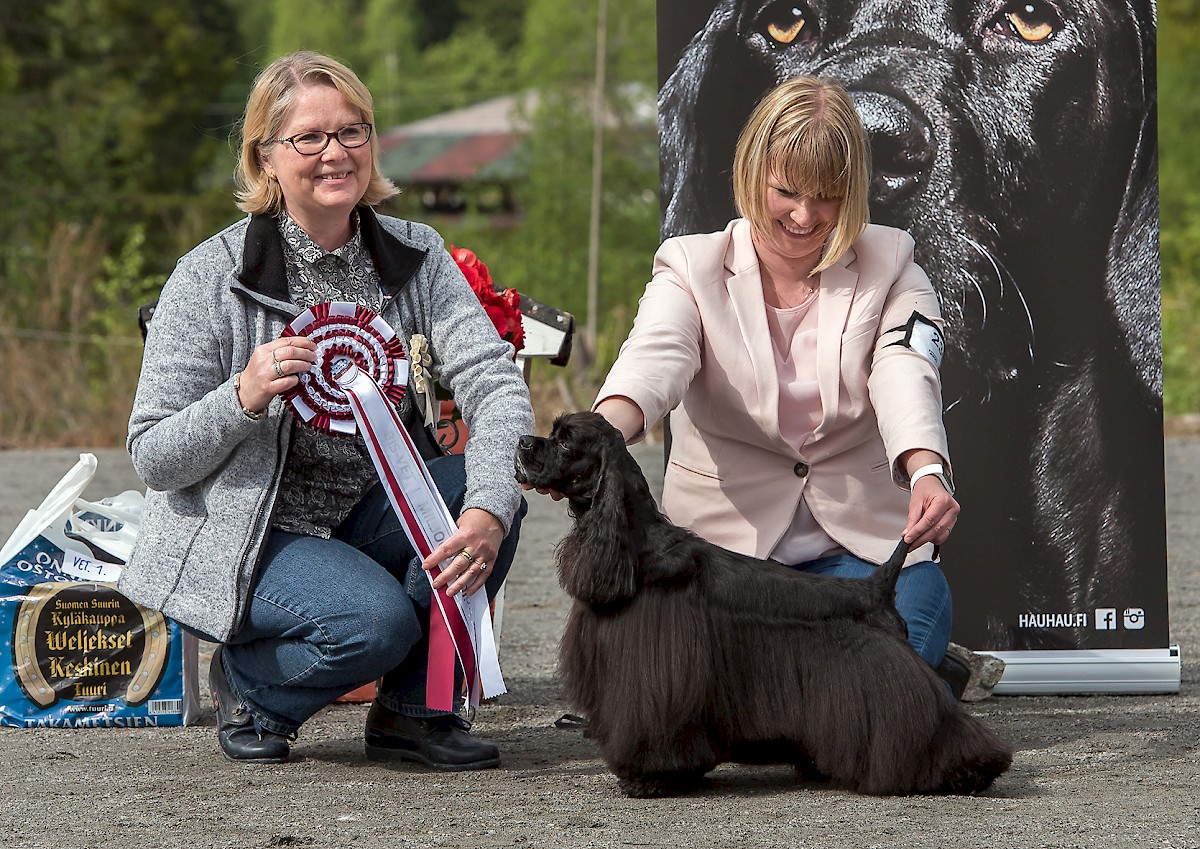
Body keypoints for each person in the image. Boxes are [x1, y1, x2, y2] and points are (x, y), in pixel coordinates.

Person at [120, 51, 533, 767]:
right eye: (309, 138)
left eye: (352, 131)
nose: (335, 153)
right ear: (266, 158)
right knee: (376, 623)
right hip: (248, 531)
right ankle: (252, 688)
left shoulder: (418, 251)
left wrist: (491, 506)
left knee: (487, 493)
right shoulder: (208, 274)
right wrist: (241, 398)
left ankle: (417, 713)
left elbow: (495, 382)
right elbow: (152, 452)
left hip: (368, 510)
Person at [591, 76, 974, 692]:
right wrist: (601, 434)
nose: (804, 216)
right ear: (752, 175)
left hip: (864, 557)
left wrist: (927, 468)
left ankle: (906, 675)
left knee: (875, 677)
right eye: (786, 192)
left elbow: (906, 370)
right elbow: (656, 355)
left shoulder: (894, 264)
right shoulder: (691, 266)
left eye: (826, 197)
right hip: (725, 559)